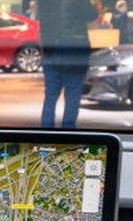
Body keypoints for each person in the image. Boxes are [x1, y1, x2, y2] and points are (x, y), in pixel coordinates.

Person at [39, 0, 98, 128]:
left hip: (51, 53)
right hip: (75, 55)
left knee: (50, 96)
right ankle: (67, 132)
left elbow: (43, 22)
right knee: (72, 96)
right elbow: (93, 14)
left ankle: (46, 132)